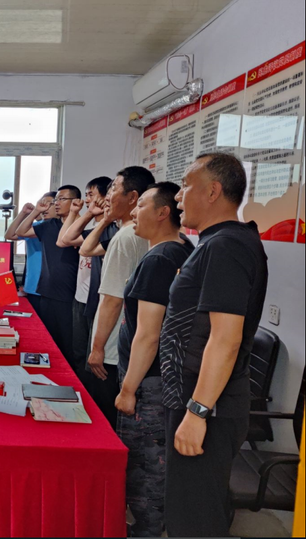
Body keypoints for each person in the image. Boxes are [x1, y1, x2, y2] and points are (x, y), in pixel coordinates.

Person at [160, 153, 268, 537]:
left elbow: (225, 338)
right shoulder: (216, 244)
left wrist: (197, 412)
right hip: (195, 398)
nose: (178, 197)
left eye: (185, 186)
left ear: (212, 191)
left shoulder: (227, 246)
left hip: (207, 406)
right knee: (191, 510)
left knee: (194, 521)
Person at [114, 182, 194, 537]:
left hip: (149, 383)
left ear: (163, 212)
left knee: (145, 464)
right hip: (164, 377)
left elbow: (149, 334)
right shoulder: (181, 248)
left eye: (142, 205)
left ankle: (145, 530)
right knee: (154, 461)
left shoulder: (159, 260)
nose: (134, 212)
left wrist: (128, 389)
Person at [80, 167, 152, 429]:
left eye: (113, 189)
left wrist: (97, 348)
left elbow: (113, 299)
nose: (107, 197)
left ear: (133, 198)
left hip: (111, 349)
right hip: (127, 342)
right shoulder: (142, 234)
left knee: (104, 419)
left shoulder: (124, 238)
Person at [15, 185, 81, 366]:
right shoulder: (49, 225)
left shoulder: (80, 227)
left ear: (75, 202)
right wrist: (36, 211)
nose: (57, 203)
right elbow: (20, 232)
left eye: (62, 199)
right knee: (46, 339)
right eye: (56, 199)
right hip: (46, 291)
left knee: (66, 343)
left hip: (69, 294)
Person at [56, 176, 113, 383]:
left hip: (97, 302)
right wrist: (82, 213)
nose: (87, 200)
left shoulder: (111, 230)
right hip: (79, 298)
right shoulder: (91, 228)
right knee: (78, 352)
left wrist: (97, 216)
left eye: (91, 195)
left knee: (93, 358)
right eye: (86, 195)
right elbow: (63, 240)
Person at [4, 192, 57, 319]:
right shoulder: (35, 227)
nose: (45, 207)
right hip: (33, 285)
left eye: (49, 204)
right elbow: (9, 235)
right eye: (42, 203)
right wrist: (24, 213)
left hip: (53, 287)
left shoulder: (60, 228)